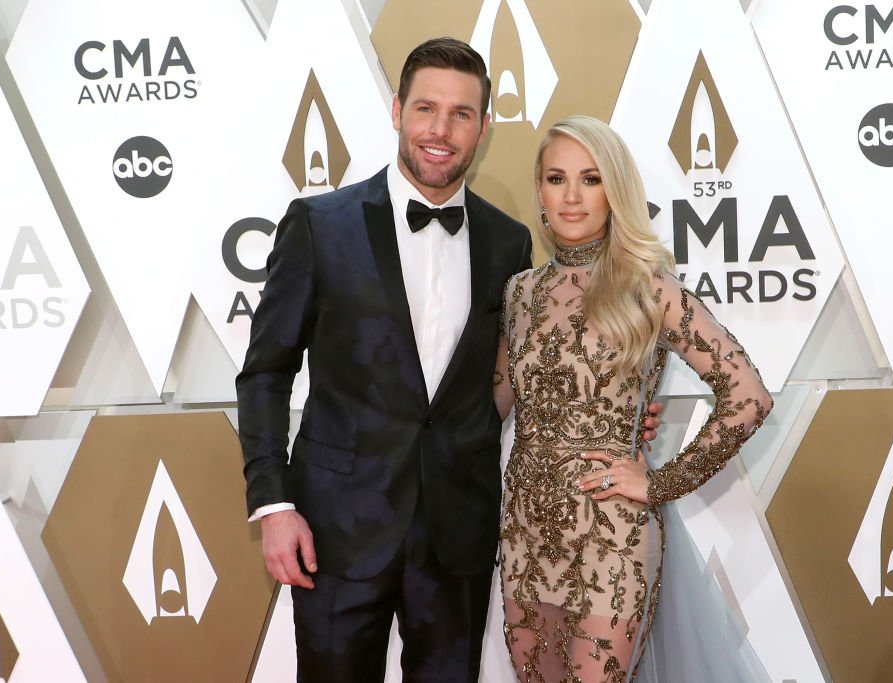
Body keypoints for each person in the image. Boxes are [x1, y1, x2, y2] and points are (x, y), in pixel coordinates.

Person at [235, 40, 660, 682]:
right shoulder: (321, 225)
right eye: (426, 108)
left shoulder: (507, 241)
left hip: (458, 533)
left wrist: (616, 414)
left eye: (462, 114)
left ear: (484, 129)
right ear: (398, 111)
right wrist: (273, 505)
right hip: (335, 531)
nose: (441, 130)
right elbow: (266, 372)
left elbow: (520, 372)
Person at [494, 115, 774, 682]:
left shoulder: (649, 287)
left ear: (615, 191)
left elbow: (748, 396)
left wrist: (660, 482)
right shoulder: (519, 292)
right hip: (523, 533)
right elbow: (492, 405)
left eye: (590, 179)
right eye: (556, 178)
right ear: (540, 190)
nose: (571, 196)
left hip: (610, 536)